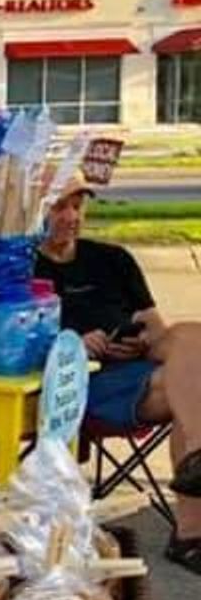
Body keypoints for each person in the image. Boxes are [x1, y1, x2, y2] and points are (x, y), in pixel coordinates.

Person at [35, 175, 201, 572]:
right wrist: (73, 343)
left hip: (138, 365)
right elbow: (16, 344)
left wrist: (142, 341)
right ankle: (191, 529)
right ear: (36, 209)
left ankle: (197, 460)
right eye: (60, 206)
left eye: (78, 206)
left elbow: (157, 330)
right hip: (80, 383)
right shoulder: (23, 268)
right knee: (191, 389)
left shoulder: (113, 259)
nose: (71, 216)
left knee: (190, 336)